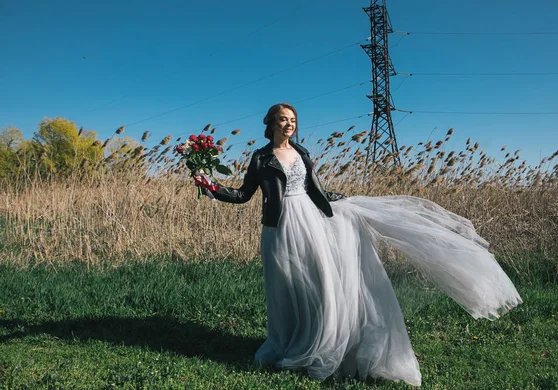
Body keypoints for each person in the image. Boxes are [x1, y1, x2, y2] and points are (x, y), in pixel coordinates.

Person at [194, 102, 522, 386]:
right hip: (278, 228)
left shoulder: (302, 153)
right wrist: (210, 186)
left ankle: (324, 343)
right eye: (283, 118)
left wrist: (342, 205)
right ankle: (287, 344)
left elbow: (315, 190)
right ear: (270, 123)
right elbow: (243, 194)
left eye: (293, 119)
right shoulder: (261, 158)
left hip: (310, 222)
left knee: (318, 285)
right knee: (284, 289)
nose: (289, 123)